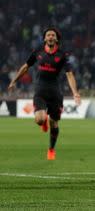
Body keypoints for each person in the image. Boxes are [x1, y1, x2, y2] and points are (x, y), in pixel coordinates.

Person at [8, 27, 81, 160]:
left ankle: (51, 149)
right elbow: (25, 67)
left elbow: (69, 74)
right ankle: (44, 121)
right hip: (40, 90)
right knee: (40, 120)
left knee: (54, 123)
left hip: (55, 93)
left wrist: (75, 93)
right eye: (48, 35)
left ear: (57, 38)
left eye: (53, 35)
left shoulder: (62, 55)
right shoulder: (38, 51)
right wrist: (14, 80)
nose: (51, 37)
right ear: (44, 38)